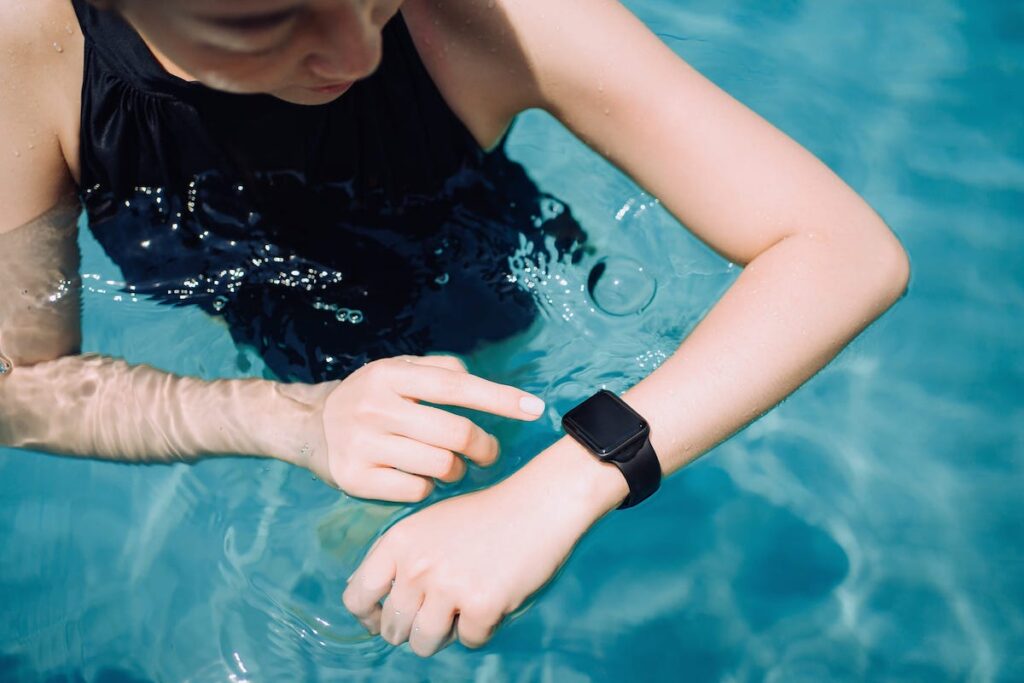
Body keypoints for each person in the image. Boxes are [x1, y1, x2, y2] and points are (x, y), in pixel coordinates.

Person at [0, 0, 910, 660]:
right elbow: (17, 385)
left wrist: (564, 485)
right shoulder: (26, 50)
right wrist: (290, 418)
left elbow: (845, 250)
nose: (356, 48)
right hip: (296, 386)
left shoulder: (480, 15)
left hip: (498, 328)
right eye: (265, 21)